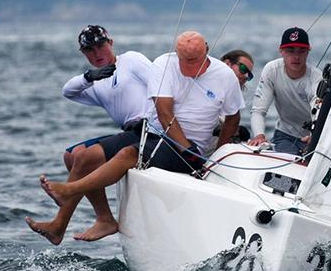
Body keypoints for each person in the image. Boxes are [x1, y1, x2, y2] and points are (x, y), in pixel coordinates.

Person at [39, 31, 244, 207]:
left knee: (128, 154)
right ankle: (71, 218)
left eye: (194, 61)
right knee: (81, 156)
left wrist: (217, 154)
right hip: (157, 135)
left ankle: (69, 190)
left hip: (186, 146)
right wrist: (88, 77)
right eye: (184, 61)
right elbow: (164, 112)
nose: (188, 68)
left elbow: (233, 118)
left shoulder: (224, 76)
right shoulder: (163, 63)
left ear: (206, 50)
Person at [26, 25, 156, 245]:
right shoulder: (95, 82)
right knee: (71, 156)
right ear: (83, 53)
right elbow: (68, 91)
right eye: (89, 50)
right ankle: (104, 218)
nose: (96, 54)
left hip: (150, 129)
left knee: (85, 158)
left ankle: (59, 224)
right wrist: (88, 77)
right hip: (129, 131)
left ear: (110, 43)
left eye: (100, 46)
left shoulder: (131, 60)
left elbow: (161, 83)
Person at [248, 26, 323, 156]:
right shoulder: (271, 70)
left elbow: (317, 111)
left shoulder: (316, 77)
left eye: (301, 51)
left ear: (308, 52)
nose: (296, 56)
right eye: (290, 50)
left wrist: (314, 135)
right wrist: (259, 136)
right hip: (285, 135)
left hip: (314, 138)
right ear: (281, 51)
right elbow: (258, 111)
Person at [218, 49, 254, 142]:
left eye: (249, 75)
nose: (246, 76)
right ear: (227, 63)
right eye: (243, 69)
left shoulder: (233, 96)